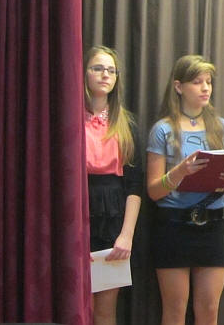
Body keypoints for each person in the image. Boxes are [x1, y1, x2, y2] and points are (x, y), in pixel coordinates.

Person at [146, 55, 224, 325]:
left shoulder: (223, 127)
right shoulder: (162, 130)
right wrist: (180, 172)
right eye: (197, 82)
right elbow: (153, 191)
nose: (205, 88)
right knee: (175, 310)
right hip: (173, 226)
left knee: (209, 310)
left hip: (211, 226)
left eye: (208, 82)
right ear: (179, 87)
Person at [84, 46, 142, 325]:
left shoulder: (126, 124)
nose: (105, 75)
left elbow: (134, 187)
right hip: (77, 211)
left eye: (111, 70)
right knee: (76, 306)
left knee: (105, 311)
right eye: (97, 68)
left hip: (113, 218)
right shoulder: (68, 118)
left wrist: (126, 236)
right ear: (84, 73)